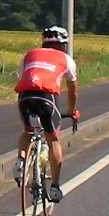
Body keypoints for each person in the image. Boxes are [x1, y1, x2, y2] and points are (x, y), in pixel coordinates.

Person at [14, 25, 80, 202]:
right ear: (64, 45)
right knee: (53, 139)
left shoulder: (29, 54)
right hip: (47, 98)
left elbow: (24, 77)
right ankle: (55, 187)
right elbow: (73, 91)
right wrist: (71, 112)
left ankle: (20, 161)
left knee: (28, 132)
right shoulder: (67, 59)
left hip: (25, 96)